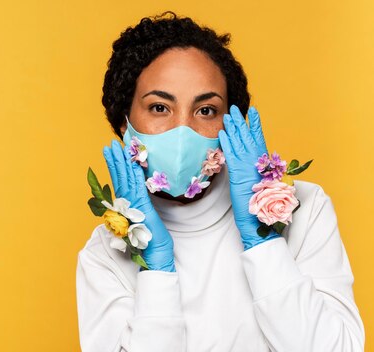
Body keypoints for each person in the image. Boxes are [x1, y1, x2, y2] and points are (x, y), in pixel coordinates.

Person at [75, 11, 365, 352]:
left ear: (231, 122)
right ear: (124, 123)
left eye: (206, 111)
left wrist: (263, 242)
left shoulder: (303, 208)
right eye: (159, 108)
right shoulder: (104, 255)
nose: (182, 130)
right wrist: (156, 268)